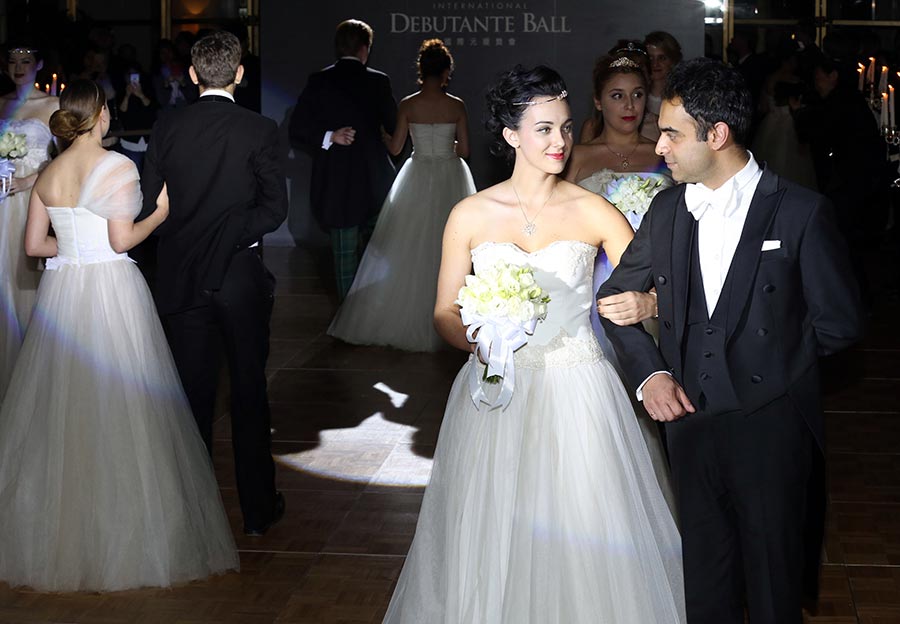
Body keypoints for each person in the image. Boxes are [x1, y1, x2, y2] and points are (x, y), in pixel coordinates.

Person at [383, 65, 685, 623]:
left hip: (579, 387)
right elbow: (444, 311)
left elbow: (666, 291)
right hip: (496, 389)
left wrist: (648, 305)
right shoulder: (470, 214)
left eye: (566, 128)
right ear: (510, 135)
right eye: (544, 129)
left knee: (583, 520)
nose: (560, 141)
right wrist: (480, 341)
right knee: (494, 520)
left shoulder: (595, 211)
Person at [598, 58, 864, 623]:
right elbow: (614, 301)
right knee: (707, 577)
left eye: (672, 133)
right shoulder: (668, 208)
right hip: (689, 423)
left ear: (716, 135)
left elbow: (839, 323)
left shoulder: (800, 211)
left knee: (773, 582)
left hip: (772, 426)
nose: (659, 147)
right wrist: (651, 374)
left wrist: (773, 369)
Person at [0, 79, 238, 591]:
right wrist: (161, 213)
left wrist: (70, 252)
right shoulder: (118, 166)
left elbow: (33, 246)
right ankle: (125, 531)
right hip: (110, 289)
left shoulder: (49, 172)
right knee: (123, 408)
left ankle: (60, 528)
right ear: (103, 115)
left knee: (64, 409)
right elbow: (122, 238)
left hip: (63, 299)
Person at [140, 30, 287, 537]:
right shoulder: (260, 128)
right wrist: (227, 237)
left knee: (191, 397)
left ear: (193, 75)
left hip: (181, 272)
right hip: (239, 275)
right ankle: (258, 512)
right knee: (248, 391)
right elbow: (274, 209)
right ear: (240, 74)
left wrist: (199, 235)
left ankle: (194, 515)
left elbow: (148, 201)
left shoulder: (169, 125)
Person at [328, 39, 475, 352]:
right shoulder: (456, 105)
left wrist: (383, 136)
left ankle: (403, 314)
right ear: (447, 71)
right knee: (451, 246)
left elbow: (395, 148)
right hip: (450, 173)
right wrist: (444, 148)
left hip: (418, 173)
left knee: (406, 247)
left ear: (421, 70)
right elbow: (464, 150)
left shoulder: (408, 103)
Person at [565, 48, 666, 351]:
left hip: (655, 281)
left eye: (637, 94)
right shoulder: (578, 156)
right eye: (617, 96)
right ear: (598, 101)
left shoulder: (663, 152)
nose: (629, 105)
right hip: (593, 280)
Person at [290, 19, 397, 301]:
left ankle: (348, 319)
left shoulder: (320, 80)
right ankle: (376, 309)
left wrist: (330, 136)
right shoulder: (378, 81)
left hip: (336, 182)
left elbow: (298, 127)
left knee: (344, 256)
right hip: (375, 181)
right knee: (381, 251)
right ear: (365, 48)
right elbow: (394, 123)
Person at [0, 40, 58, 404]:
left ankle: (33, 371)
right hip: (2, 202)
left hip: (30, 203)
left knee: (27, 277)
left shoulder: (51, 104)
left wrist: (28, 180)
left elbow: (63, 159)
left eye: (25, 61)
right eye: (12, 61)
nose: (18, 66)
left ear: (38, 66)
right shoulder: (1, 103)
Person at [751, 37, 817, 190]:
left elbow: (763, 106)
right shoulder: (791, 80)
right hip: (788, 122)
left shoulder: (770, 78)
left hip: (772, 122)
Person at [644, 31, 683, 141]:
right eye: (650, 58)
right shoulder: (636, 97)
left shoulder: (682, 97)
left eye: (662, 58)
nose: (655, 64)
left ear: (673, 61)